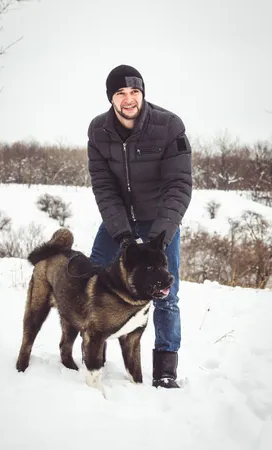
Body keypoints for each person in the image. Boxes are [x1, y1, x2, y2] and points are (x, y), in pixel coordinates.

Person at [87, 64, 192, 388]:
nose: (129, 99)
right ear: (111, 98)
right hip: (119, 220)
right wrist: (122, 234)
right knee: (93, 276)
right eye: (120, 93)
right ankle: (91, 347)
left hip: (161, 220)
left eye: (134, 91)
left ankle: (164, 369)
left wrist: (161, 235)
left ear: (142, 93)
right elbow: (103, 187)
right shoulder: (98, 131)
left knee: (166, 292)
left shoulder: (169, 126)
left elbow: (179, 184)